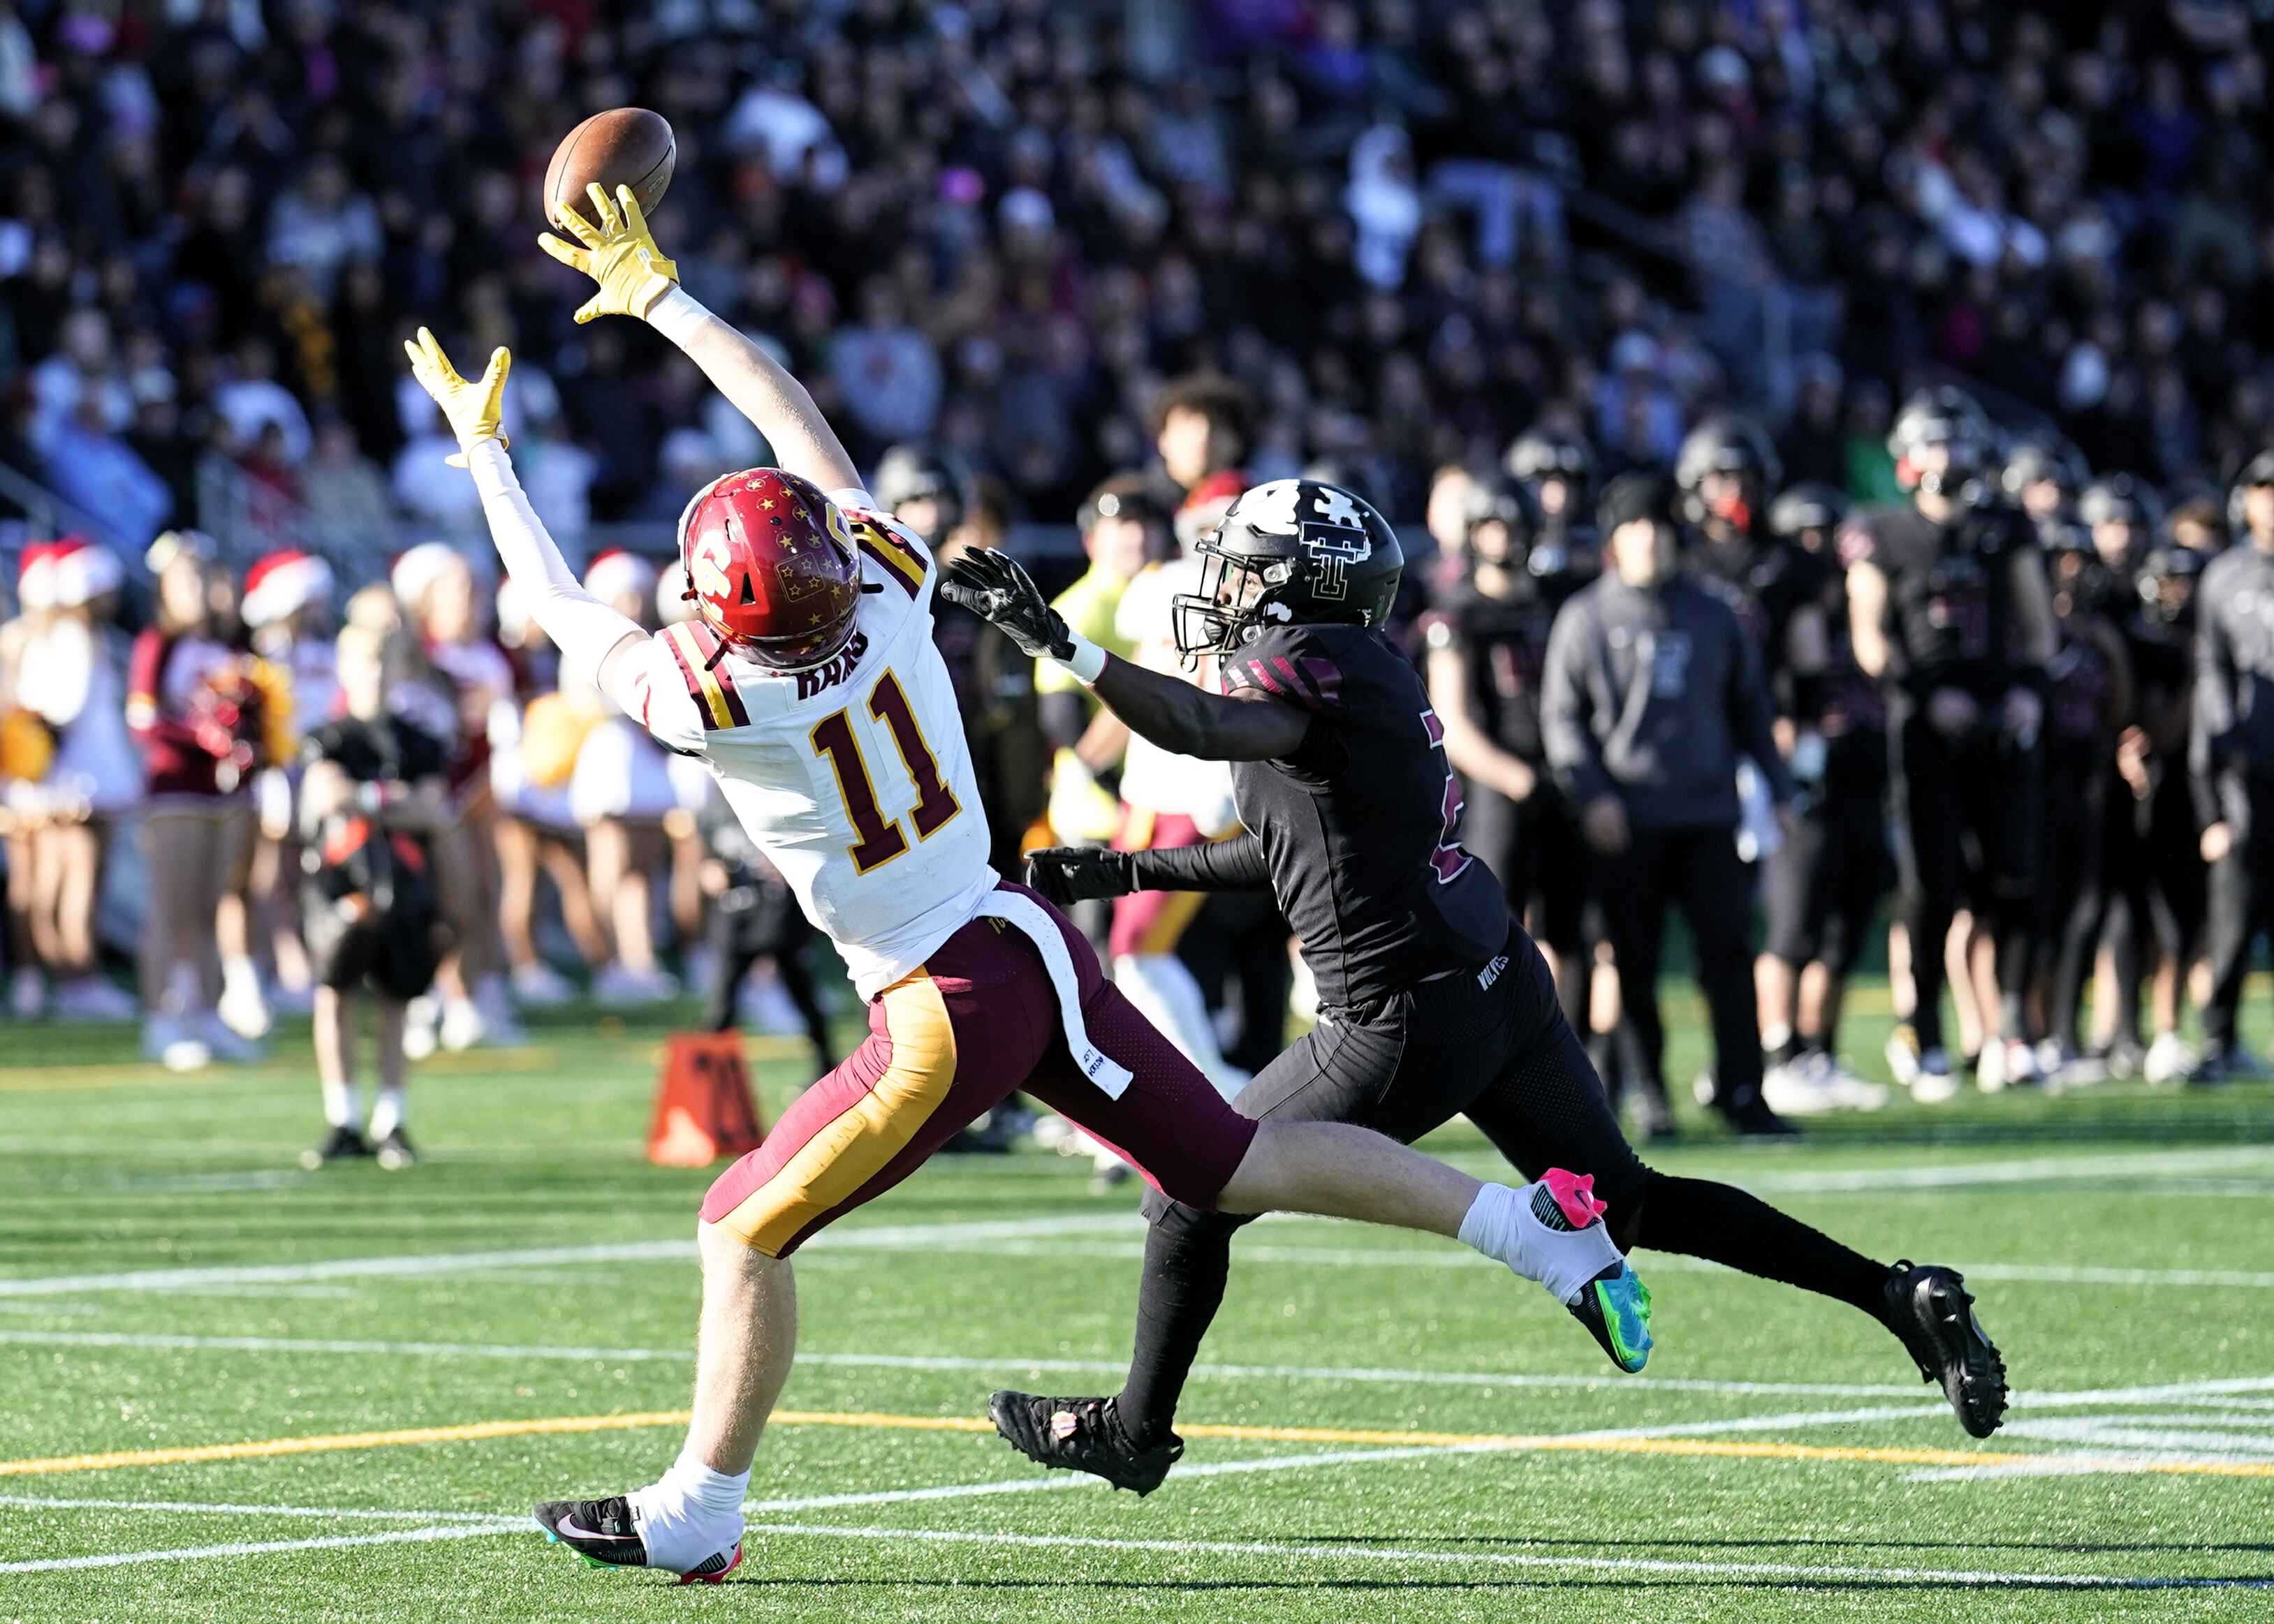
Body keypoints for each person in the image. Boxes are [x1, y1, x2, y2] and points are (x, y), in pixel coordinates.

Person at [417, 182, 1647, 1582]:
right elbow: (786, 415)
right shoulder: (881, 582)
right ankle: (1531, 1226)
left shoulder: (715, 701)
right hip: (1026, 937)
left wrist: (485, 460)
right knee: (1228, 1160)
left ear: (726, 610)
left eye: (701, 591)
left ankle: (699, 1507)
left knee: (739, 1225)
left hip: (936, 1001)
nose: (684, 606)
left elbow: (561, 608)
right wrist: (665, 298)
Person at [955, 473, 2005, 1501]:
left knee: (1186, 1193)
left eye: (1241, 572)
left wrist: (1066, 647)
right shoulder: (1362, 662)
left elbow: (1206, 728)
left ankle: (1135, 1431)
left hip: (1399, 1014)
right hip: (1492, 979)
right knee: (1631, 1197)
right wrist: (1129, 867)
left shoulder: (1302, 663)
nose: (1221, 588)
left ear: (1294, 587)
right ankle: (1895, 1296)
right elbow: (1302, 850)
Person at [1541, 473, 1796, 1137]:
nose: (1650, 540)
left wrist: (1779, 787)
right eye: (1635, 528)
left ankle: (1744, 1092)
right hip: (1628, 819)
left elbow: (1750, 708)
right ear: (1614, 541)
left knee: (1730, 957)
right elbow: (1562, 721)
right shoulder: (1586, 617)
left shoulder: (1716, 612)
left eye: (1660, 527)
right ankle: (1649, 1095)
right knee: (1633, 965)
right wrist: (1592, 796)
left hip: (1709, 814)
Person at [1846, 388, 2056, 1101]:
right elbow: (1869, 636)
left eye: (1955, 439)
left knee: (2012, 882)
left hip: (1999, 724)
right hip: (1924, 730)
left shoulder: (2005, 528)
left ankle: (2008, 1033)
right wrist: (1924, 693)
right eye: (1931, 441)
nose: (1946, 455)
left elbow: (2037, 624)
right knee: (1928, 890)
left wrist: (2028, 686)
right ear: (1906, 456)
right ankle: (1926, 1033)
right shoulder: (1884, 532)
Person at [1672, 416, 1840, 1112]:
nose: (1731, 491)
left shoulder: (1782, 564)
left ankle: (1748, 1066)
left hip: (1761, 748)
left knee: (1756, 916)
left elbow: (1808, 662)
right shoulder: (1678, 562)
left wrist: (1800, 739)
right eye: (1718, 478)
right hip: (1690, 754)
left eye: (1740, 477)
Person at [1422, 473, 1590, 1040]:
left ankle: (1569, 1049)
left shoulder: (1553, 602)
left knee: (1571, 929)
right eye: (1493, 525)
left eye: (1513, 524)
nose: (1504, 537)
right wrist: (1520, 779)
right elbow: (1453, 725)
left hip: (1560, 775)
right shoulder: (1457, 614)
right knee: (1494, 930)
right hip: (1497, 788)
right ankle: (1493, 1051)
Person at [1755, 485, 1889, 1109]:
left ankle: (1819, 1052)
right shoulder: (1775, 614)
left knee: (1845, 926)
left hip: (1861, 780)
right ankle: (1779, 1057)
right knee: (1793, 927)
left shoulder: (1859, 607)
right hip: (1804, 784)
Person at [298, 621, 450, 1169]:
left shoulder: (419, 740)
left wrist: (364, 798)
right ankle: (342, 1117)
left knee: (396, 996)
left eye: (385, 662)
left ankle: (391, 1118)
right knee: (334, 991)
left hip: (404, 886)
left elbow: (432, 809)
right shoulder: (329, 735)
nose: (375, 674)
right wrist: (388, 796)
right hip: (340, 882)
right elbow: (326, 796)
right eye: (364, 662)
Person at [2186, 453, 2274, 1083]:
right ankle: (2219, 1038)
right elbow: (2211, 680)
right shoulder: (2226, 576)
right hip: (2247, 769)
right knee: (2234, 913)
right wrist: (2210, 800)